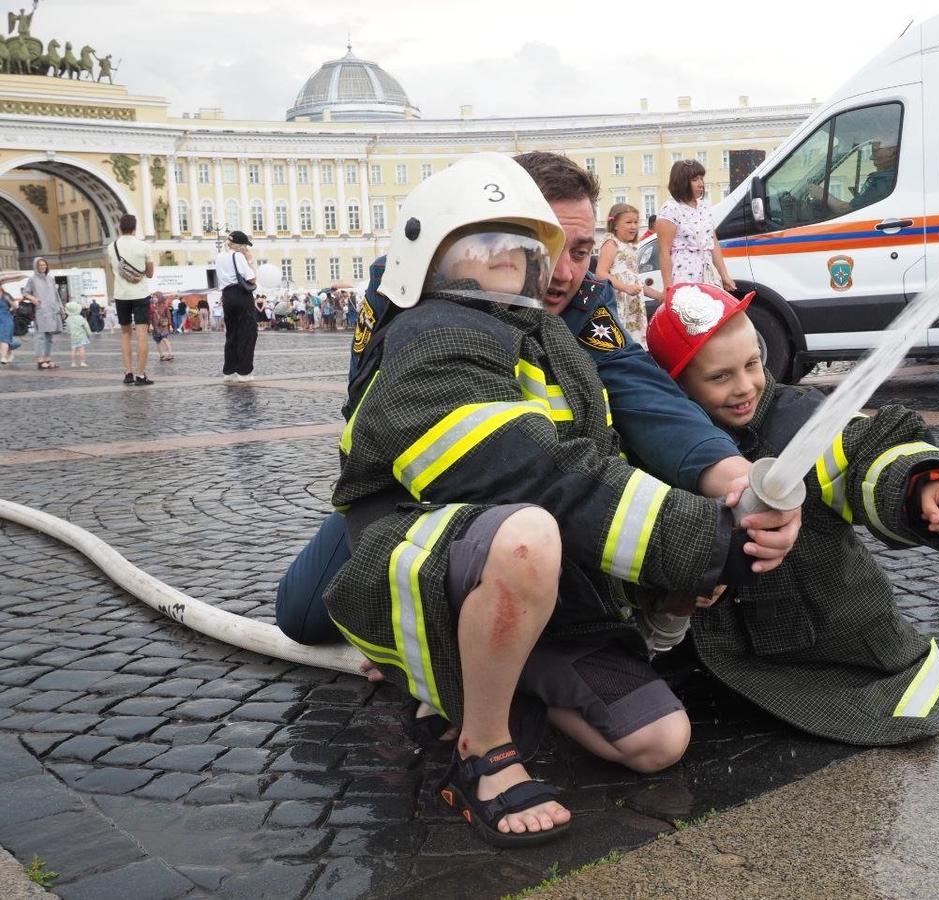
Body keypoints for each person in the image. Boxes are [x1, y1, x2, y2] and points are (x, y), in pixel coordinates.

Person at [323, 153, 802, 847]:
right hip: (414, 549)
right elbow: (535, 474)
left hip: (525, 569)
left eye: (523, 252)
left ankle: (500, 674)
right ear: (430, 259)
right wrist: (696, 540)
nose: (515, 267)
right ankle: (481, 752)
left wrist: (727, 497)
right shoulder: (429, 334)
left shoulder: (557, 334)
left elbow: (614, 435)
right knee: (521, 537)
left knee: (659, 741)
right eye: (481, 250)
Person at [644, 282, 939, 744]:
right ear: (676, 386)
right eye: (720, 377)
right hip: (705, 657)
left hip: (827, 650)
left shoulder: (798, 418)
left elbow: (868, 449)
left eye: (751, 364)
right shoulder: (657, 446)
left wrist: (919, 483)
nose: (745, 387)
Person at [655, 159, 735, 292]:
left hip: (709, 276)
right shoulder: (670, 208)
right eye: (695, 179)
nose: (701, 183)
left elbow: (713, 243)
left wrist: (724, 275)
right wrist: (668, 289)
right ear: (682, 182)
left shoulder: (704, 205)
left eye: (701, 178)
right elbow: (664, 252)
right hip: (684, 279)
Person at [106, 213, 155, 385]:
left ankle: (128, 373)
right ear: (135, 228)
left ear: (120, 227)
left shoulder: (112, 247)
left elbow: (113, 270)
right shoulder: (143, 246)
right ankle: (141, 375)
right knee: (142, 334)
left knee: (125, 333)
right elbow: (149, 274)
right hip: (140, 294)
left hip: (121, 295)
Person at [594, 203, 647, 346]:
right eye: (629, 222)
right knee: (621, 338)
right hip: (619, 301)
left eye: (636, 222)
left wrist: (659, 295)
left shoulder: (630, 247)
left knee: (635, 340)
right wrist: (625, 287)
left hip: (632, 304)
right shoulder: (611, 243)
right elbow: (600, 273)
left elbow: (635, 281)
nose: (634, 226)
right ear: (615, 225)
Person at [811, 139, 899, 216]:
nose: (871, 157)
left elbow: (845, 210)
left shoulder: (885, 180)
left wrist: (822, 194)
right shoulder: (894, 176)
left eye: (875, 151)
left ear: (892, 151)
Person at [215, 230, 258, 382]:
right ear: (240, 246)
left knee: (231, 333)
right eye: (245, 246)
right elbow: (251, 279)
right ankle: (244, 372)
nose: (246, 249)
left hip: (227, 296)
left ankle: (229, 370)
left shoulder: (219, 257)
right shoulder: (238, 256)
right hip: (241, 295)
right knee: (247, 332)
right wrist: (250, 260)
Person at [22, 257, 64, 370]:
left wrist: (61, 308)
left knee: (49, 337)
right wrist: (33, 299)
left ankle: (47, 359)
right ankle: (40, 361)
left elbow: (56, 295)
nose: (42, 267)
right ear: (36, 266)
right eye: (40, 265)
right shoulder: (32, 279)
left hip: (52, 311)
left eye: (44, 265)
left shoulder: (50, 279)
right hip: (40, 311)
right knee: (40, 336)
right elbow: (25, 292)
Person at [0, 272, 24, 366]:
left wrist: (11, 304)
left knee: (4, 338)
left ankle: (3, 357)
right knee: (1, 339)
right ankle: (10, 349)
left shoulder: (6, 295)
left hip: (6, 318)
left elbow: (15, 306)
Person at [64, 300, 90, 367]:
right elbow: (86, 326)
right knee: (81, 349)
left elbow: (67, 329)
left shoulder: (68, 319)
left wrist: (69, 332)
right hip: (81, 335)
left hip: (73, 336)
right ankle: (82, 362)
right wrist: (89, 334)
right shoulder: (80, 318)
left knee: (73, 349)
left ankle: (73, 363)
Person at [150, 293, 175, 361]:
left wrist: (170, 326)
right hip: (155, 326)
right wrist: (150, 325)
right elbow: (149, 316)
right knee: (158, 341)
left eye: (156, 297)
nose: (154, 299)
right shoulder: (151, 306)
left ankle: (170, 353)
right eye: (153, 297)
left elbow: (169, 316)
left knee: (164, 338)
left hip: (163, 325)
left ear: (160, 298)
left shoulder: (165, 306)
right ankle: (161, 355)